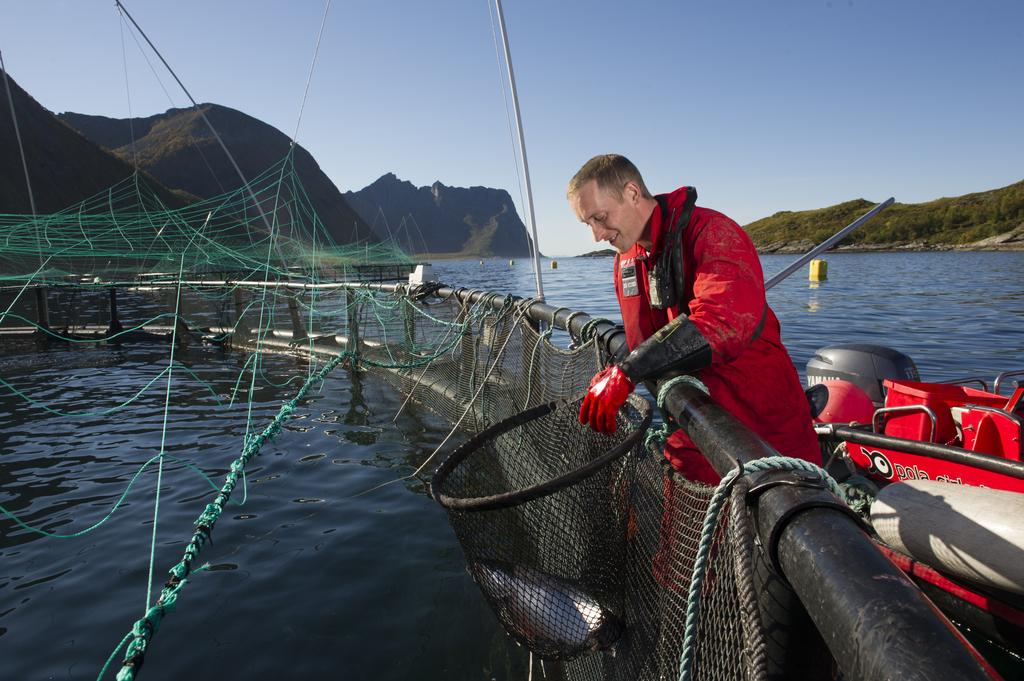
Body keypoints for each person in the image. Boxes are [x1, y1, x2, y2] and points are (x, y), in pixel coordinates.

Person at [567, 154, 820, 483]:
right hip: (688, 433)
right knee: (689, 533)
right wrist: (615, 371)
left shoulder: (712, 232)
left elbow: (722, 322)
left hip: (764, 430)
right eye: (589, 223)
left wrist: (627, 373)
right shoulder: (627, 259)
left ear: (632, 193)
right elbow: (645, 340)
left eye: (600, 217)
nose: (596, 235)